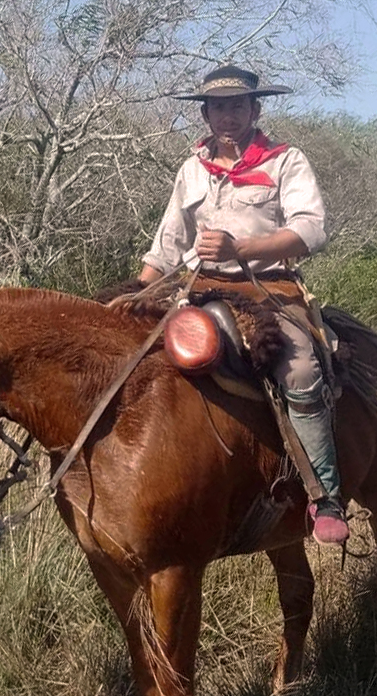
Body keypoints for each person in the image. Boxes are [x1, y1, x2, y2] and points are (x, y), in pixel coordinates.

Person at [139, 64, 349, 545]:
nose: (227, 115)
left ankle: (326, 497)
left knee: (299, 370)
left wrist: (242, 250)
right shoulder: (192, 168)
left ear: (255, 109)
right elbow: (167, 246)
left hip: (268, 291)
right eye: (217, 106)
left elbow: (312, 230)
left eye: (236, 105)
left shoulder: (283, 160)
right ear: (206, 114)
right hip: (196, 290)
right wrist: (136, 293)